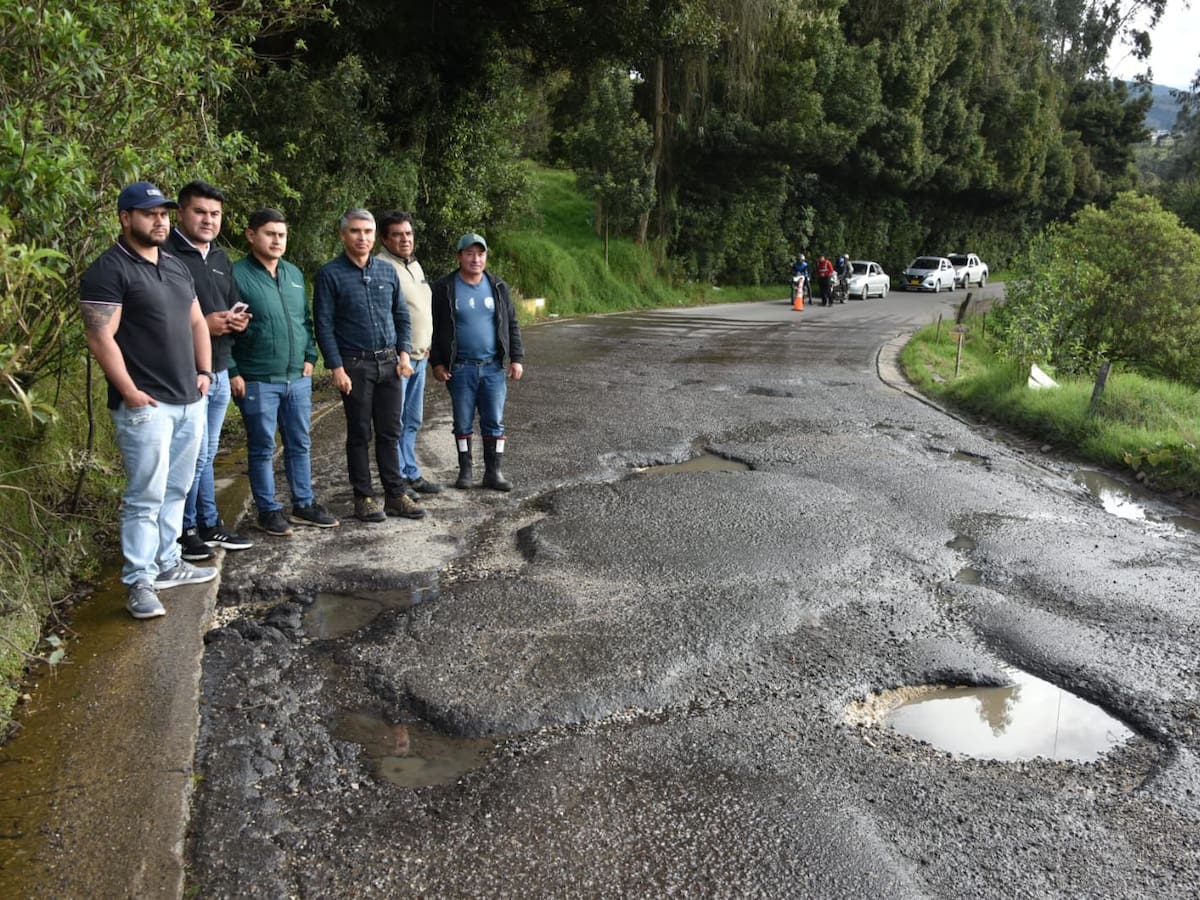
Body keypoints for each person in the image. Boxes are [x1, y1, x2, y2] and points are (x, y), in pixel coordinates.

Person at [79, 181, 218, 620]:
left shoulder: (175, 265)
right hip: (147, 406)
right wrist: (129, 392)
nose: (159, 221)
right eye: (149, 213)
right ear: (125, 218)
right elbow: (100, 336)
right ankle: (140, 581)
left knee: (176, 489)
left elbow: (197, 322)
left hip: (189, 399)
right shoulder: (109, 269)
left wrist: (204, 372)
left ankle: (167, 562)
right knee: (145, 496)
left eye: (163, 213)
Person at [231, 208, 340, 536]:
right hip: (257, 378)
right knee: (262, 446)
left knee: (299, 442)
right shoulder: (236, 275)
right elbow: (225, 328)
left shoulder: (292, 273)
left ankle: (304, 504)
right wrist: (232, 371)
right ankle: (267, 510)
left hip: (297, 378)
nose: (277, 240)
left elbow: (304, 320)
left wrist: (310, 356)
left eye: (282, 235)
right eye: (270, 234)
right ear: (251, 235)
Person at [313, 208, 426, 523]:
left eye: (367, 232)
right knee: (360, 433)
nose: (362, 237)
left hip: (390, 363)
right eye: (355, 231)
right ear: (343, 235)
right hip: (355, 365)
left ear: (374, 236)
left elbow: (401, 316)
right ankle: (363, 496)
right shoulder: (330, 274)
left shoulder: (387, 272)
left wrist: (404, 355)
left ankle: (395, 494)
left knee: (390, 432)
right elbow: (324, 325)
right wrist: (336, 368)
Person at [166, 181, 255, 561]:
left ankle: (208, 523)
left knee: (206, 456)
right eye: (200, 212)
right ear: (181, 214)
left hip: (219, 369)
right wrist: (203, 325)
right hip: (185, 373)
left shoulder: (219, 257)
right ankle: (185, 530)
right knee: (191, 456)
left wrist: (237, 322)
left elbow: (232, 302)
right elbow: (156, 318)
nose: (208, 220)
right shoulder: (165, 256)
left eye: (215, 214)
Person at [429, 232, 525, 491]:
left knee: (494, 421)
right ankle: (465, 471)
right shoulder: (443, 288)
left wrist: (516, 358)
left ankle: (494, 472)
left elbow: (512, 324)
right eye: (469, 254)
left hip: (493, 368)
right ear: (459, 257)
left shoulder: (498, 286)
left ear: (486, 256)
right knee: (462, 422)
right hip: (460, 368)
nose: (475, 259)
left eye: (480, 254)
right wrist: (437, 363)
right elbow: (433, 328)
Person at [376, 211, 441, 495]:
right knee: (394, 422)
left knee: (413, 419)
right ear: (384, 239)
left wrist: (426, 346)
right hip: (397, 359)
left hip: (419, 357)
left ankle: (411, 472)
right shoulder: (381, 266)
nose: (405, 239)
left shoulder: (414, 265)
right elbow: (382, 315)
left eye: (409, 233)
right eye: (398, 234)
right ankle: (397, 478)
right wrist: (398, 352)